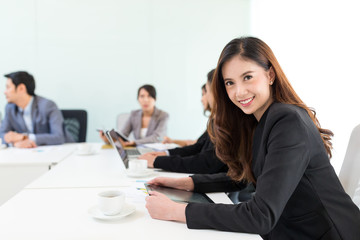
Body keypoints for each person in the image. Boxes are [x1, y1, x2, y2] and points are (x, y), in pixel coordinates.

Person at [145, 37, 360, 239]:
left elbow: (261, 215)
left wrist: (177, 211)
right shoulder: (259, 121)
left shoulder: (287, 121)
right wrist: (188, 183)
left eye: (247, 77)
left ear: (270, 75)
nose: (239, 92)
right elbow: (246, 178)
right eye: (230, 83)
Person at [139, 70, 228, 174]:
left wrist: (158, 161)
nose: (204, 98)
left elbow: (206, 162)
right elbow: (197, 147)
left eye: (206, 92)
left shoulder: (227, 123)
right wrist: (165, 154)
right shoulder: (215, 121)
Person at [0, 71, 72, 148]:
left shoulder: (47, 105)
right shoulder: (10, 108)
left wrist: (25, 137)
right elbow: (2, 134)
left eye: (8, 87)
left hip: (63, 151)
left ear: (21, 88)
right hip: (31, 153)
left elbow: (58, 137)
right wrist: (14, 143)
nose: (5, 92)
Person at [100, 84, 169, 146]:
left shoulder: (163, 115)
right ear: (138, 99)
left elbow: (157, 137)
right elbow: (123, 134)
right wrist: (110, 140)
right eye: (142, 96)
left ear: (155, 99)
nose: (145, 100)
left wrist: (135, 142)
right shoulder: (134, 114)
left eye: (149, 96)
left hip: (156, 152)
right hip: (138, 151)